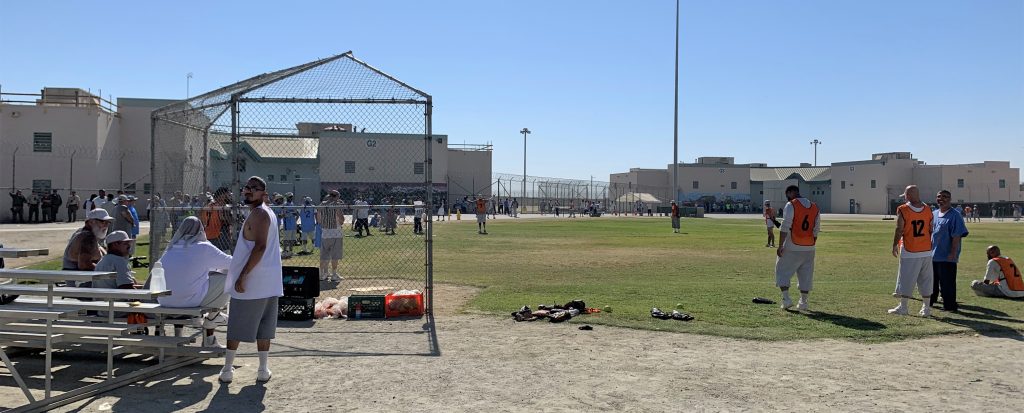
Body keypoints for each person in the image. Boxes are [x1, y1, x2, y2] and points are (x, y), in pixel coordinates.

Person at [220, 176, 283, 384]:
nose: (248, 190)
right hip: (268, 281)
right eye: (247, 187)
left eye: (254, 188)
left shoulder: (260, 213)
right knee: (264, 327)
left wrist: (243, 275)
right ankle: (263, 369)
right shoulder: (266, 212)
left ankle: (227, 369)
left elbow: (260, 246)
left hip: (253, 282)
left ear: (264, 193)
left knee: (237, 325)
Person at [157, 216, 233, 347]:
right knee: (228, 278)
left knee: (190, 283)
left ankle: (182, 333)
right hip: (190, 300)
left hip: (165, 301)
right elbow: (231, 263)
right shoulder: (203, 247)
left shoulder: (170, 248)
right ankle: (214, 317)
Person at [888, 185, 935, 316]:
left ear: (908, 195)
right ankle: (926, 308)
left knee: (906, 278)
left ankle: (903, 307)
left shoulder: (903, 209)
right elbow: (931, 228)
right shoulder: (928, 209)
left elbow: (899, 229)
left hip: (910, 249)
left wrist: (894, 244)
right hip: (926, 249)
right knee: (926, 279)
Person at [774, 185, 820, 311]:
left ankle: (786, 299)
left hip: (792, 245)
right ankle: (803, 302)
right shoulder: (814, 206)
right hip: (809, 247)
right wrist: (811, 244)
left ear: (790, 192)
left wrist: (780, 245)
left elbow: (785, 226)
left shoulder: (791, 205)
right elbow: (816, 230)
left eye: (787, 194)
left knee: (782, 271)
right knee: (806, 275)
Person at [931, 189, 969, 312]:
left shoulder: (955, 215)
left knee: (947, 282)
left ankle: (950, 305)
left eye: (945, 196)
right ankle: (931, 300)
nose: (941, 199)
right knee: (932, 280)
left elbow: (956, 235)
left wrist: (953, 253)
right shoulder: (934, 214)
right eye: (939, 196)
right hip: (933, 254)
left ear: (950, 199)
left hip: (946, 256)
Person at [62, 209, 114, 286]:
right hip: (81, 282)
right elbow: (84, 264)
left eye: (108, 222)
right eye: (103, 221)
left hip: (77, 280)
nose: (106, 225)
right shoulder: (88, 238)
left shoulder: (82, 233)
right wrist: (106, 270)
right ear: (90, 222)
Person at [317, 190, 344, 282]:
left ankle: (323, 273)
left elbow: (319, 220)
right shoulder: (336, 205)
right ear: (337, 197)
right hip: (336, 233)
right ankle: (334, 274)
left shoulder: (322, 205)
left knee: (324, 254)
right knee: (335, 255)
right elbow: (341, 220)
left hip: (325, 233)